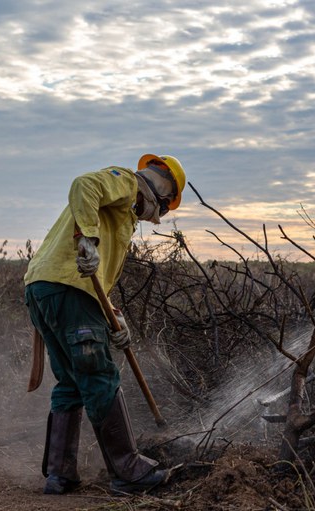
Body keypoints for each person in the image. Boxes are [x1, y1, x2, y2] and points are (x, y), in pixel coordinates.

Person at [24, 154, 186, 494]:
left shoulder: (120, 212)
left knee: (70, 381)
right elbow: (84, 184)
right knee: (99, 374)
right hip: (69, 290)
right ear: (162, 191)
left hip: (44, 288)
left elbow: (93, 278)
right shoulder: (126, 183)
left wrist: (114, 318)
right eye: (165, 209)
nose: (155, 218)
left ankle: (60, 475)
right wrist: (88, 238)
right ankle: (129, 472)